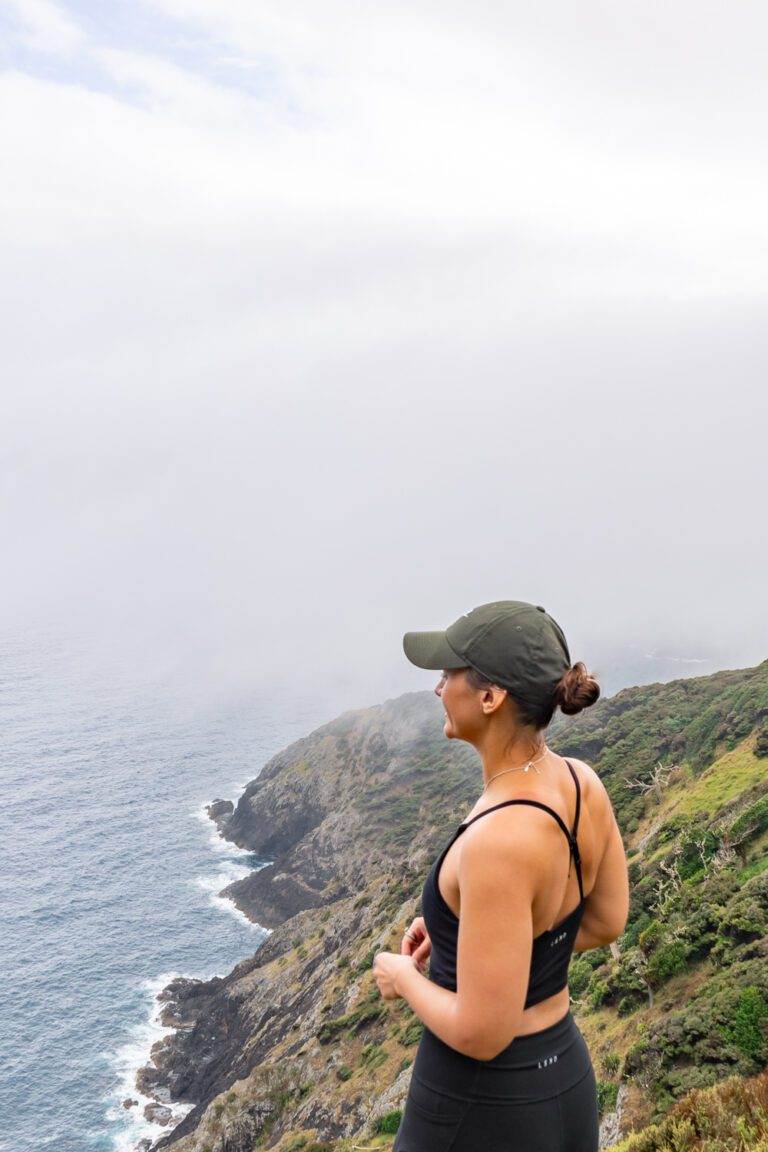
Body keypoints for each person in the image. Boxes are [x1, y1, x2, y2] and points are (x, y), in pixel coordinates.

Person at [372, 600, 630, 1152]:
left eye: (448, 675)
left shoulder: (498, 839)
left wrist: (402, 977)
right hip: (565, 1082)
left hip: (480, 1105)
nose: (439, 688)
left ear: (490, 698)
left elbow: (482, 1033)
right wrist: (474, 937)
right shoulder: (581, 784)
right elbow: (606, 921)